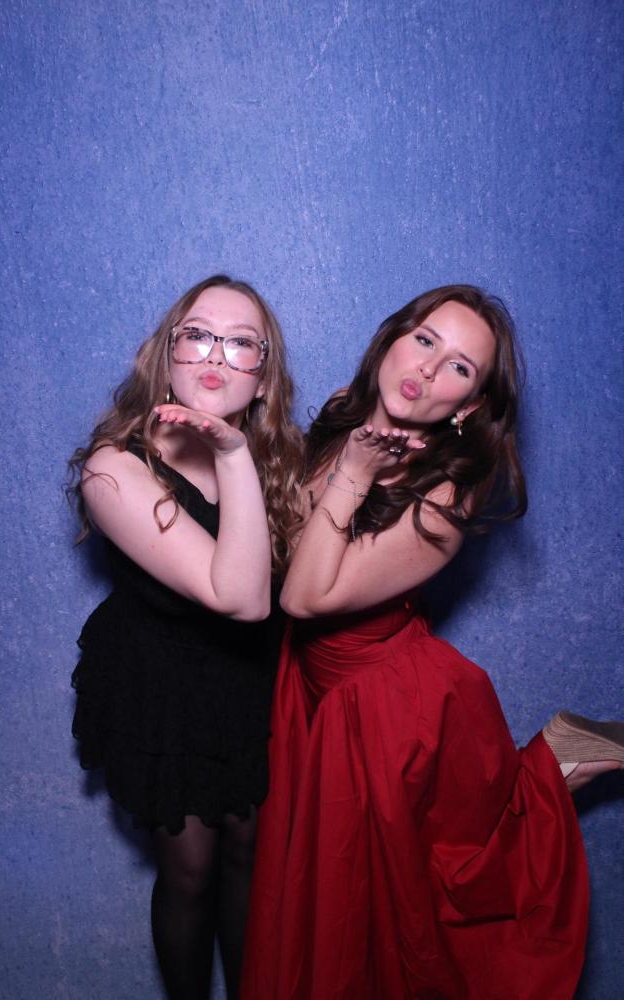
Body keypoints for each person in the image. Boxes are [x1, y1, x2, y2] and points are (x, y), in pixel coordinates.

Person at [240, 285, 624, 1000]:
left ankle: (553, 765)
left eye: (459, 367)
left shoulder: (445, 494)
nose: (427, 367)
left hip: (388, 712)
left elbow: (303, 596)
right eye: (424, 340)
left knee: (409, 912)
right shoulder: (342, 413)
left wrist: (355, 474)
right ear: (393, 338)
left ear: (469, 406)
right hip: (313, 688)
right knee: (336, 906)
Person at [68, 274, 303, 999]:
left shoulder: (282, 460)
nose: (215, 356)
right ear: (166, 353)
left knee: (250, 856)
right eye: (198, 335)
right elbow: (239, 597)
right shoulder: (114, 468)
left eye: (241, 343)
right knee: (191, 868)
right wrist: (231, 454)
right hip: (160, 683)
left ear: (264, 376)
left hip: (248, 678)